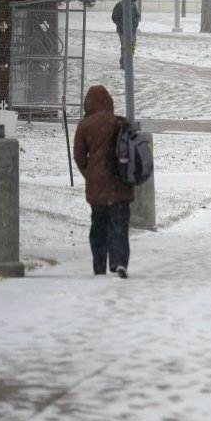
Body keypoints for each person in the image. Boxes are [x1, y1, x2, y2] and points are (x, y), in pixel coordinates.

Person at [73, 85, 134, 278]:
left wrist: (89, 173)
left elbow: (78, 155)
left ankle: (99, 266)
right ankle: (119, 261)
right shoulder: (120, 123)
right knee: (119, 225)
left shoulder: (85, 125)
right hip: (120, 184)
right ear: (109, 101)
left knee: (98, 226)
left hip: (97, 187)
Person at [112, 0, 140, 69]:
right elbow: (115, 17)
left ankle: (128, 61)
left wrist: (135, 24)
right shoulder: (120, 5)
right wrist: (122, 25)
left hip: (132, 30)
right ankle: (124, 63)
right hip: (122, 30)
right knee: (125, 46)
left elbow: (137, 16)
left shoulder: (133, 5)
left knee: (132, 45)